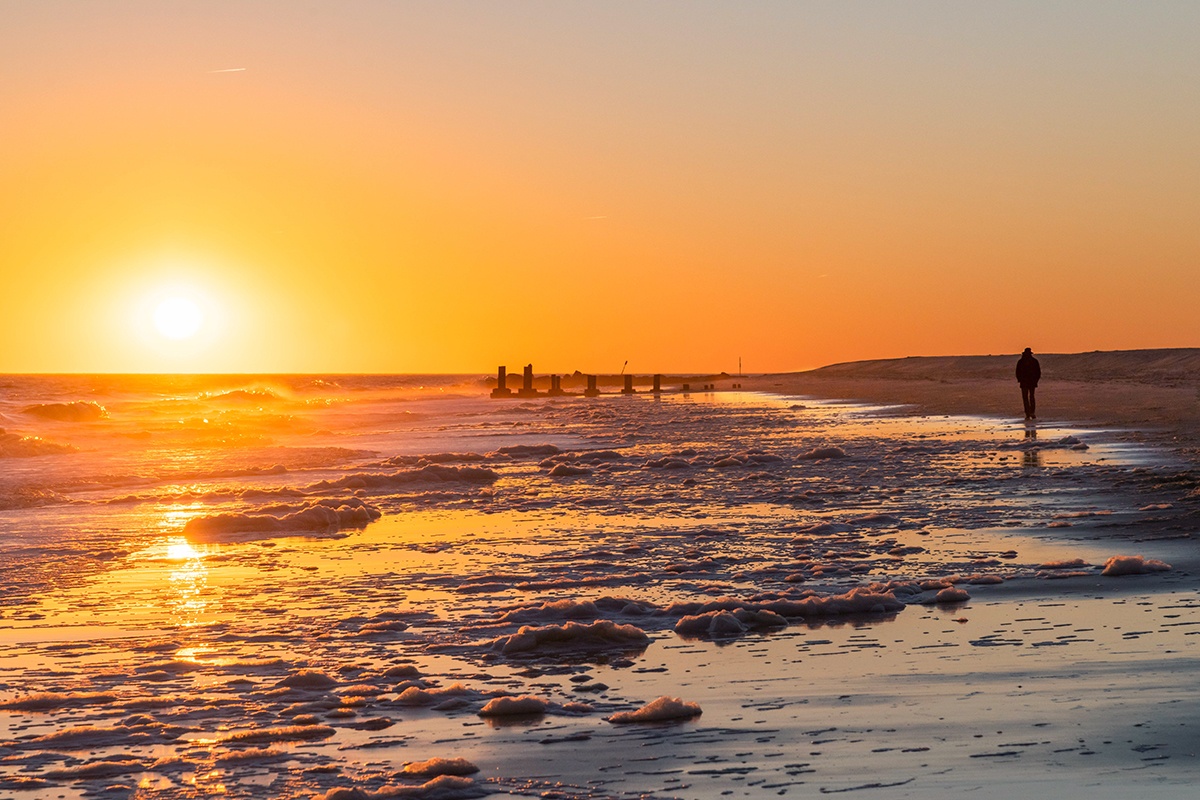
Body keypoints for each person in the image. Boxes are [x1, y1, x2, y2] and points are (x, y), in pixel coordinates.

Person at [1015, 347, 1041, 420]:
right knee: (1031, 397)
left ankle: (1029, 413)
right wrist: (1036, 380)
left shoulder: (1021, 362)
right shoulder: (1034, 361)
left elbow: (1017, 372)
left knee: (1026, 397)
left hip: (1026, 382)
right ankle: (1031, 412)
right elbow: (1038, 372)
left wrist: (1019, 380)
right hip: (1030, 382)